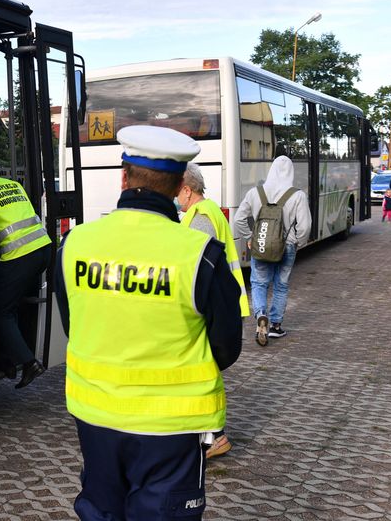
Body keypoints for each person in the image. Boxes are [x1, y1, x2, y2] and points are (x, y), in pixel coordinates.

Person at [56, 125, 242, 520]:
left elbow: (73, 324)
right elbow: (227, 346)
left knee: (102, 511)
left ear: (123, 177)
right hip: (171, 429)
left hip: (95, 416)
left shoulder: (74, 243)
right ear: (178, 187)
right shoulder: (202, 254)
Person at [176, 162, 248, 460]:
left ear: (187, 190)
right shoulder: (209, 210)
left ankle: (214, 436)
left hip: (212, 307)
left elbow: (198, 268)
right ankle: (209, 434)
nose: (175, 197)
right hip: (222, 302)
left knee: (202, 375)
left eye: (177, 191)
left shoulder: (201, 218)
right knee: (203, 374)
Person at [0, 171, 51, 389]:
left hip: (19, 254)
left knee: (0, 312)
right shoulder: (9, 184)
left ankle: (29, 363)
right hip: (43, 248)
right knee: (10, 305)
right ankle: (7, 359)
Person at [234, 155, 311, 347]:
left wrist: (250, 237)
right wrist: (297, 242)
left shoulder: (255, 193)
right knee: (281, 285)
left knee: (259, 284)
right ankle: (276, 326)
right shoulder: (298, 195)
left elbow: (238, 219)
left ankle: (261, 315)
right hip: (287, 246)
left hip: (260, 245)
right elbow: (305, 226)